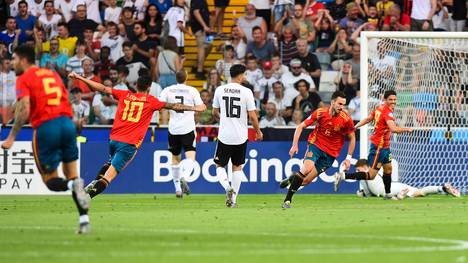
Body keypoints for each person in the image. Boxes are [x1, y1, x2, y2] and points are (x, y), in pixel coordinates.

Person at [68, 72, 204, 199]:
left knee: (110, 163)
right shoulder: (151, 101)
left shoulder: (125, 94)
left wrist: (80, 77)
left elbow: (102, 88)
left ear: (136, 86)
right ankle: (85, 198)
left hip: (113, 140)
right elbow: (174, 106)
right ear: (149, 88)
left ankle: (93, 182)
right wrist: (194, 108)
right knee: (108, 177)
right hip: (128, 143)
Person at [1, 45, 90, 234]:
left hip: (47, 127)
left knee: (51, 181)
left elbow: (24, 109)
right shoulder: (52, 74)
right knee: (73, 174)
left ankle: (71, 185)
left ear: (24, 60)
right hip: (67, 124)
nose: (12, 63)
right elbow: (65, 101)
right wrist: (74, 122)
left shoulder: (24, 78)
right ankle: (84, 221)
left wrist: (11, 137)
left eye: (14, 59)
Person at [280, 91, 356, 208]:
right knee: (307, 168)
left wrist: (348, 158)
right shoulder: (320, 113)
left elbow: (352, 138)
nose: (342, 107)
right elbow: (301, 126)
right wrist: (294, 145)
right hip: (316, 145)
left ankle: (291, 178)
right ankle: (287, 200)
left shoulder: (346, 119)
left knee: (306, 181)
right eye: (339, 104)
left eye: (344, 105)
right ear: (332, 102)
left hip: (330, 154)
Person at [334, 90, 413, 200]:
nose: (393, 102)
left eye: (394, 99)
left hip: (385, 146)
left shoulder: (379, 108)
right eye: (390, 99)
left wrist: (355, 126)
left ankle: (388, 193)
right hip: (379, 148)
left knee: (388, 168)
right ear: (385, 99)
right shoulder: (387, 113)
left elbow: (367, 119)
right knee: (371, 175)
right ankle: (342, 176)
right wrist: (407, 129)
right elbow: (393, 129)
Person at [213, 64, 263, 208]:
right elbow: (253, 116)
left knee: (219, 165)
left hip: (225, 135)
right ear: (240, 75)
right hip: (241, 136)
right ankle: (233, 200)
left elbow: (214, 113)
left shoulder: (220, 90)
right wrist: (258, 131)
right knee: (237, 166)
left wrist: (223, 119)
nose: (245, 77)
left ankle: (226, 187)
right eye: (244, 74)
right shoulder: (246, 92)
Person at [159, 70, 206, 198]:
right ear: (186, 78)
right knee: (191, 158)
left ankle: (178, 190)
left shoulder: (167, 90)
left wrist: (174, 107)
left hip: (173, 129)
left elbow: (160, 105)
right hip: (188, 129)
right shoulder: (192, 91)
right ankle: (184, 176)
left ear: (176, 78)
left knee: (175, 159)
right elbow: (202, 107)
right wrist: (193, 108)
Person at [353, 159, 461, 198]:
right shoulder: (370, 174)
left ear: (363, 167)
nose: (358, 172)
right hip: (390, 189)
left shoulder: (365, 174)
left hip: (389, 189)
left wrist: (362, 194)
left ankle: (442, 188)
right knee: (419, 192)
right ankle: (442, 188)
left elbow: (367, 194)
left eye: (358, 169)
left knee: (419, 192)